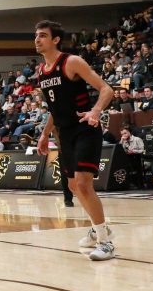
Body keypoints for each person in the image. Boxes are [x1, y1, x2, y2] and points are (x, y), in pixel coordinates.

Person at [34, 19, 117, 261]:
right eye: (36, 36)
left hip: (85, 128)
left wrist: (96, 111)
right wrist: (44, 133)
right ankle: (98, 226)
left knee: (82, 184)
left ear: (55, 39)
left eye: (42, 35)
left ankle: (106, 241)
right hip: (64, 134)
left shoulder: (71, 62)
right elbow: (55, 109)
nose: (37, 40)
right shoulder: (41, 72)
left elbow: (107, 89)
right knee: (72, 187)